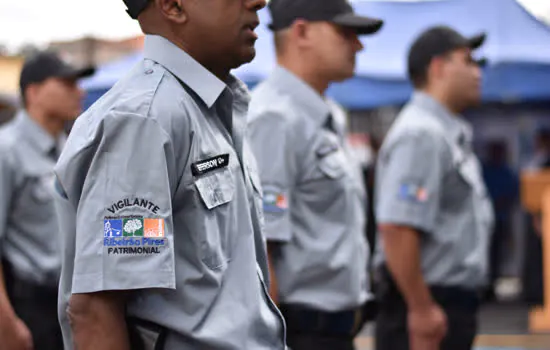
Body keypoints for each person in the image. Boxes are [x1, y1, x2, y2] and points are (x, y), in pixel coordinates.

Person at [52, 0, 286, 349]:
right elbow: (95, 310)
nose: (258, 2)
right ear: (173, 6)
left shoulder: (208, 108)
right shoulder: (146, 118)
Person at [247, 0, 383, 349]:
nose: (358, 45)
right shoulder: (274, 118)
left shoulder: (326, 113)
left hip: (336, 329)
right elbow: (261, 253)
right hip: (302, 332)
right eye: (345, 32)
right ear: (302, 32)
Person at [374, 26, 494, 350]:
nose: (477, 71)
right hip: (427, 306)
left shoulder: (443, 132)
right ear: (438, 68)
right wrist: (421, 307)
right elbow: (398, 227)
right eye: (468, 61)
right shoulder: (421, 134)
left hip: (442, 303)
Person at [0, 51, 93, 350]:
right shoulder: (7, 151)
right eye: (66, 83)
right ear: (34, 91)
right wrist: (7, 326)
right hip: (30, 307)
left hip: (72, 303)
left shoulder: (69, 148)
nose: (79, 91)